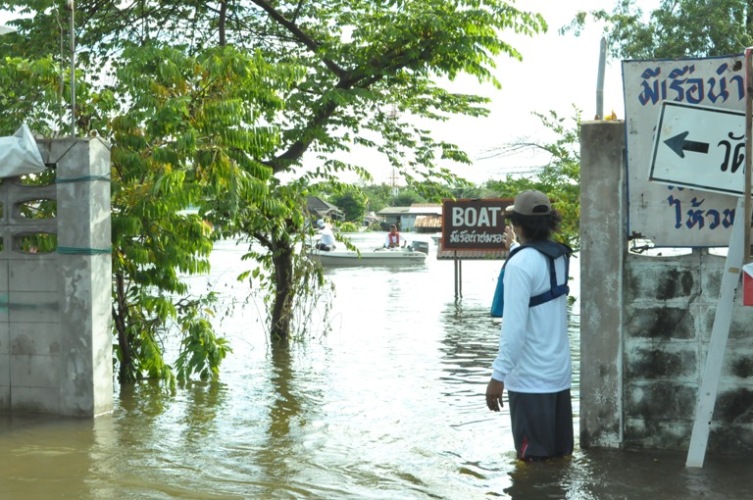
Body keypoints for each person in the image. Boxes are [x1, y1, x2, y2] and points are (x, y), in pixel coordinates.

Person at [485, 189, 574, 462]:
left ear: (518, 224)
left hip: (530, 384)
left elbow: (514, 330)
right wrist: (514, 247)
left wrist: (497, 377)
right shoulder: (559, 257)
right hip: (558, 377)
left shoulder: (521, 264)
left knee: (532, 463)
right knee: (560, 458)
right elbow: (535, 279)